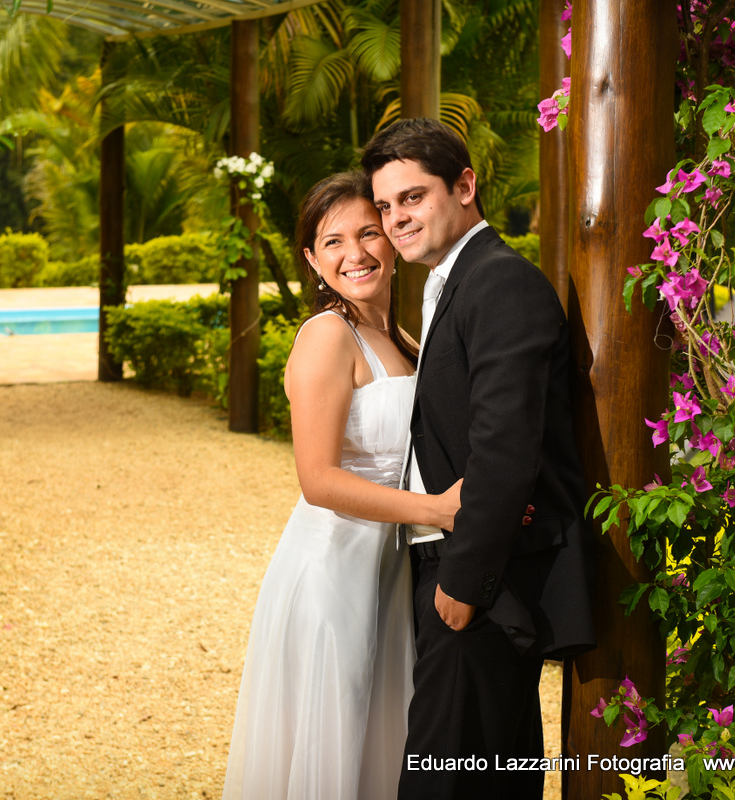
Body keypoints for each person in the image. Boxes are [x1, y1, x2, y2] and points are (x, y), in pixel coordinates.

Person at [363, 118, 597, 799]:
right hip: (460, 572)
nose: (396, 219)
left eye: (412, 197)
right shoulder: (452, 279)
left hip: (481, 582)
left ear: (464, 186)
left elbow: (505, 446)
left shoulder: (500, 282)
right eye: (385, 205)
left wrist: (465, 585)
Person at [222, 171, 463, 800]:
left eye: (367, 233)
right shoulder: (328, 335)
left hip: (389, 570)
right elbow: (319, 480)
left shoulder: (402, 337)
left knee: (380, 742)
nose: (354, 254)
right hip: (333, 572)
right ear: (311, 259)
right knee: (336, 741)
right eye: (333, 242)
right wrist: (438, 510)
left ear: (392, 237)